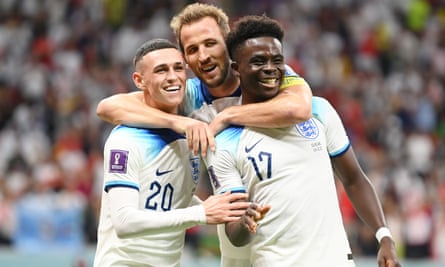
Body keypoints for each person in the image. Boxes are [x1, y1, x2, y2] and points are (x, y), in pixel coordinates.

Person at [96, 4, 312, 266]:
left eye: (210, 43)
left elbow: (299, 108)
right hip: (234, 224)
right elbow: (108, 106)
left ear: (228, 44)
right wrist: (180, 123)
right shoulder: (188, 97)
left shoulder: (265, 72)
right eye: (193, 50)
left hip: (292, 222)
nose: (204, 55)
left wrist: (227, 117)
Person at [205, 15, 402, 267]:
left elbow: (354, 179)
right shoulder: (225, 141)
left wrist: (384, 236)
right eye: (257, 61)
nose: (270, 68)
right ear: (236, 69)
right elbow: (234, 232)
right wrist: (244, 222)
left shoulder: (319, 111)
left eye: (277, 60)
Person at [93, 38, 252, 267]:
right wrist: (202, 214)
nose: (172, 76)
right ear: (139, 81)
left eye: (178, 68)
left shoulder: (191, 133)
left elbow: (169, 198)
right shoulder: (125, 140)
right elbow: (124, 221)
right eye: (161, 70)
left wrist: (223, 208)